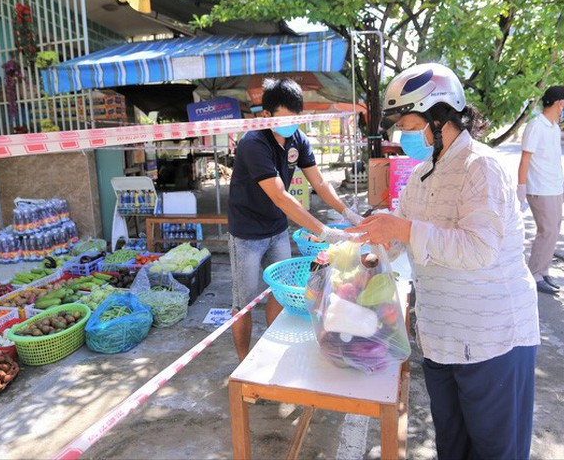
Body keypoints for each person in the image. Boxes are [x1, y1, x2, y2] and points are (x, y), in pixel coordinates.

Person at [348, 63, 540, 459]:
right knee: (452, 446)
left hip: (492, 339)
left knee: (495, 450)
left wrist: (401, 231)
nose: (402, 132)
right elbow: (399, 237)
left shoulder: (480, 168)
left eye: (408, 121)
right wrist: (360, 251)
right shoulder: (421, 175)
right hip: (440, 338)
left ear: (440, 116)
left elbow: (478, 249)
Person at [227, 77, 359, 361]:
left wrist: (348, 213)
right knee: (245, 303)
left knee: (281, 293)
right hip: (247, 234)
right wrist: (324, 231)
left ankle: (271, 353)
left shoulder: (297, 139)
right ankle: (242, 363)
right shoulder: (253, 143)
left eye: (296, 118)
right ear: (266, 116)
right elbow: (280, 196)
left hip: (277, 229)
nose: (291, 125)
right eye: (285, 119)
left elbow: (320, 183)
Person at [517, 85, 564, 295]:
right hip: (539, 189)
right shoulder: (536, 126)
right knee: (547, 232)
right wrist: (521, 187)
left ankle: (543, 271)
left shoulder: (553, 127)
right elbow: (525, 159)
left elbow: (553, 159)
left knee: (553, 232)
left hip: (553, 187)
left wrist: (563, 183)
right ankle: (534, 275)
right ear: (559, 103)